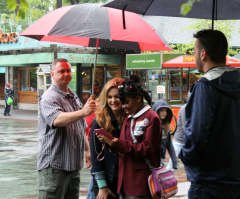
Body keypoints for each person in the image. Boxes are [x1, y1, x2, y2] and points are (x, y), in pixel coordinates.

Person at [179, 29, 240, 199]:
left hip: (208, 184)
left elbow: (197, 135)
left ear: (203, 53)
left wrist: (185, 156)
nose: (194, 56)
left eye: (195, 51)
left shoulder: (205, 87)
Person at [38, 58, 96, 199]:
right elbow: (57, 120)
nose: (66, 74)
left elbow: (79, 126)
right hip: (55, 167)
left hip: (73, 166)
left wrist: (87, 150)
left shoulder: (72, 95)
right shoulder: (49, 97)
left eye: (68, 70)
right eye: (61, 71)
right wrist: (84, 111)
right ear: (52, 74)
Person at [97, 75, 161, 199]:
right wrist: (110, 143)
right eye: (123, 102)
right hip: (123, 183)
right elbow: (123, 145)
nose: (124, 106)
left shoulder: (151, 117)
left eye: (127, 102)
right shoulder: (129, 117)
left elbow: (146, 149)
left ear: (138, 98)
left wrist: (117, 144)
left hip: (140, 184)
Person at [89, 77, 125, 199]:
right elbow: (95, 156)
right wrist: (102, 186)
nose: (113, 100)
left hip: (126, 179)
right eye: (109, 97)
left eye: (117, 96)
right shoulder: (99, 121)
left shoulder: (130, 118)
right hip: (107, 180)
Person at [152, 99, 177, 170]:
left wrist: (174, 161)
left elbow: (169, 145)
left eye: (165, 110)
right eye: (161, 110)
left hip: (162, 161)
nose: (164, 113)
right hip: (152, 163)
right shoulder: (151, 127)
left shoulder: (166, 127)